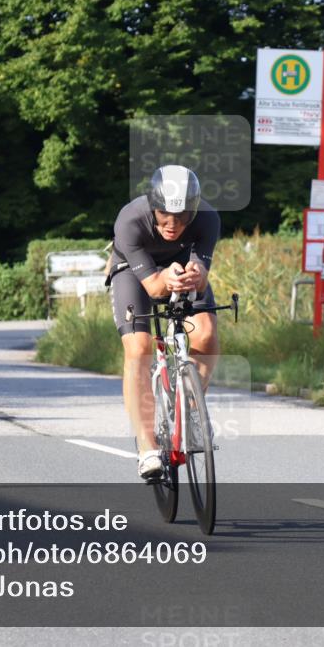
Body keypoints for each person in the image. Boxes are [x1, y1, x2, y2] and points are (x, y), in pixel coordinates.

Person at [108, 165, 221, 479]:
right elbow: (155, 288)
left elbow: (200, 278)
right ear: (152, 206)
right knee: (138, 348)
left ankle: (191, 409)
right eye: (164, 217)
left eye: (183, 217)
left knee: (207, 335)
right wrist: (165, 277)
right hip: (132, 272)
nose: (173, 225)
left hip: (181, 268)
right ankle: (147, 448)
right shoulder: (130, 220)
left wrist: (196, 275)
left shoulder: (208, 218)